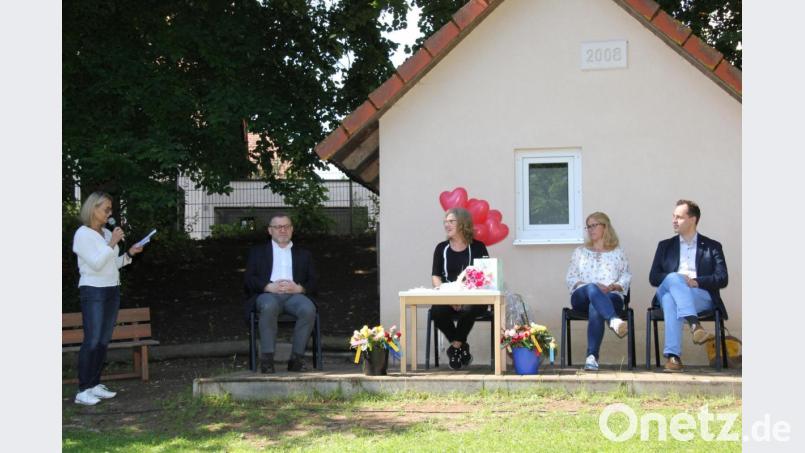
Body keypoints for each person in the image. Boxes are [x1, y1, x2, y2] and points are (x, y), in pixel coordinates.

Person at [72, 192, 144, 405]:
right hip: (93, 290)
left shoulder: (105, 233)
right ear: (93, 209)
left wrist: (129, 254)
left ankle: (94, 384)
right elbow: (96, 264)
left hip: (112, 289)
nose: (110, 214)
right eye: (106, 209)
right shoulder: (83, 234)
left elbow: (111, 264)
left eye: (110, 210)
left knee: (103, 341)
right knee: (92, 340)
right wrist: (112, 242)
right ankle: (83, 390)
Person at [649, 199, 728, 372]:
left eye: (679, 217)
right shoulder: (665, 246)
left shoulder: (712, 247)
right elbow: (653, 277)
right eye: (673, 216)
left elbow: (722, 278)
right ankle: (694, 324)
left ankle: (673, 357)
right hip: (668, 288)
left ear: (692, 219)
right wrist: (678, 279)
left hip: (699, 294)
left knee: (671, 300)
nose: (674, 220)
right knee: (673, 279)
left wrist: (696, 281)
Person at [244, 213, 318, 374]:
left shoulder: (304, 254)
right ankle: (267, 360)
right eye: (278, 227)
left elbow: (314, 281)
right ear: (270, 230)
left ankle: (296, 359)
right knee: (269, 306)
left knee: (308, 309)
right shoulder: (257, 252)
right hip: (268, 295)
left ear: (292, 229)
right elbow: (249, 279)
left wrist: (300, 289)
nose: (282, 230)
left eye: (286, 226)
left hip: (295, 296)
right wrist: (267, 287)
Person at [565, 212, 632, 371]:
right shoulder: (580, 252)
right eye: (588, 226)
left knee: (595, 306)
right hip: (582, 297)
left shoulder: (618, 252)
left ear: (605, 226)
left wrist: (611, 287)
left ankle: (591, 357)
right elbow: (571, 277)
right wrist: (592, 286)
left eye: (594, 225)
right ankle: (614, 320)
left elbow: (626, 276)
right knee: (592, 288)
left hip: (611, 297)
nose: (590, 229)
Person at [431, 207, 490, 370]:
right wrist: (448, 297)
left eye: (451, 221)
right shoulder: (441, 248)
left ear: (463, 223)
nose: (447, 225)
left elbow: (485, 276)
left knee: (469, 308)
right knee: (437, 311)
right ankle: (461, 346)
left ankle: (455, 347)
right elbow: (436, 277)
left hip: (474, 299)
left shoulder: (478, 247)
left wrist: (464, 298)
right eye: (445, 222)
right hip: (447, 297)